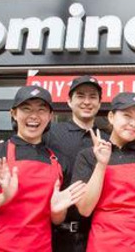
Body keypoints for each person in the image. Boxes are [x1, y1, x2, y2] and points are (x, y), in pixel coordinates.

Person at [0, 85, 86, 252]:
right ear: (14, 113)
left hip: (38, 247)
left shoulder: (60, 160)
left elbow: (56, 220)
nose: (34, 115)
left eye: (41, 110)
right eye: (26, 109)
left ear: (50, 117)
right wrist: (3, 198)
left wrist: (57, 211)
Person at [72, 92, 135, 251]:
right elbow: (85, 208)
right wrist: (101, 164)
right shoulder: (89, 155)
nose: (133, 123)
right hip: (105, 243)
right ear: (111, 117)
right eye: (127, 116)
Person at [46, 75, 108, 252]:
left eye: (93, 97)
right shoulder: (51, 134)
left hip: (97, 235)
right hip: (56, 234)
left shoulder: (107, 140)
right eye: (80, 96)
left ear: (100, 103)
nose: (87, 102)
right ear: (69, 101)